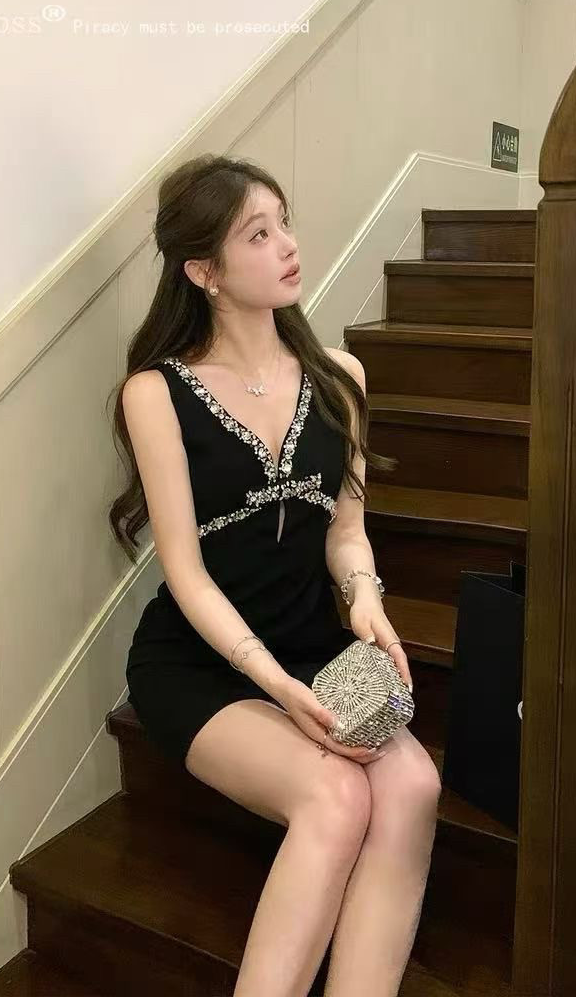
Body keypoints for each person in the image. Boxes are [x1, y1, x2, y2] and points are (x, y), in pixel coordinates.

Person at [108, 153, 442, 997]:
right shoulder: (156, 392)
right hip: (199, 661)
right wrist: (276, 687)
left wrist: (366, 603)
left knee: (413, 784)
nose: (289, 245)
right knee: (337, 798)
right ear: (205, 272)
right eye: (258, 235)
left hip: (311, 644)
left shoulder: (341, 378)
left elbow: (347, 535)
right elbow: (186, 574)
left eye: (284, 223)